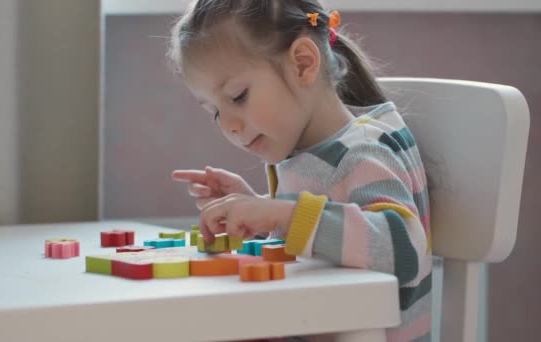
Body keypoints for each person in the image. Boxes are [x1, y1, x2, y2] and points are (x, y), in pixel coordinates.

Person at [169, 1, 431, 341]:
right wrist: (257, 212)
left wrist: (281, 214)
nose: (229, 126)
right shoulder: (307, 155)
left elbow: (402, 250)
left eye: (238, 96)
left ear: (302, 64)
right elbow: (323, 240)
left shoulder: (361, 153)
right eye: (215, 112)